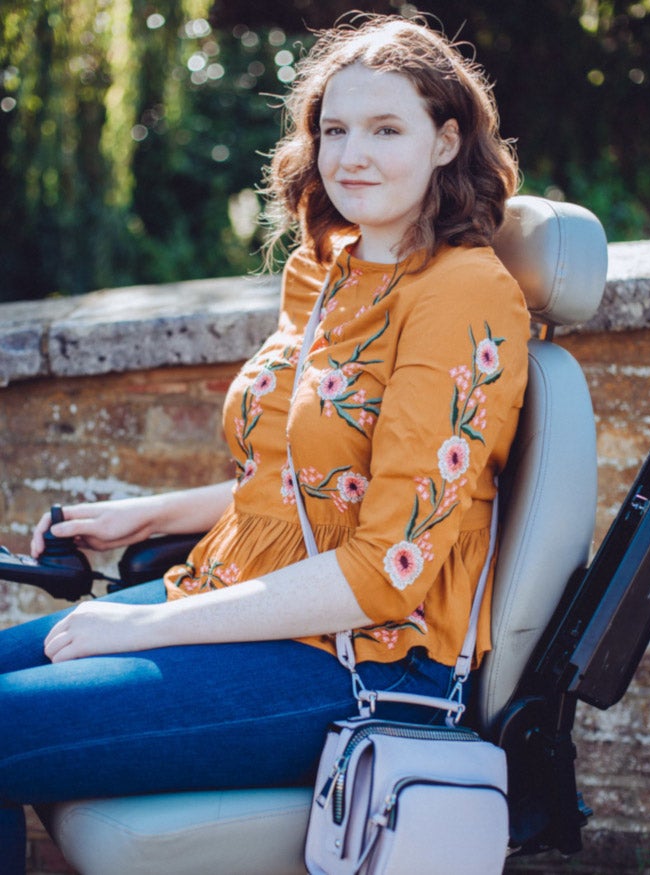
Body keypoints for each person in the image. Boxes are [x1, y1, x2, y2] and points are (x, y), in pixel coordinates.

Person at [0, 14, 529, 873]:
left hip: (363, 657)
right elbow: (306, 476)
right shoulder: (326, 268)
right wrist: (149, 516)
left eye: (385, 130)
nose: (351, 155)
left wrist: (148, 625)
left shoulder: (463, 293)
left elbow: (384, 568)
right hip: (243, 593)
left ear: (445, 140)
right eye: (334, 129)